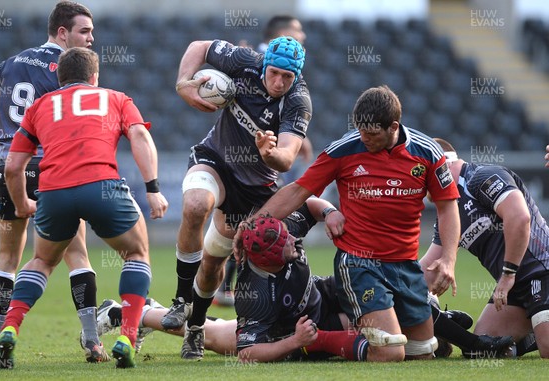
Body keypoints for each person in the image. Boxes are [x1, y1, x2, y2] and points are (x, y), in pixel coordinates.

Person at [96, 198, 511, 361]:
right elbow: (248, 356)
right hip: (285, 331)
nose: (297, 248)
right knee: (212, 334)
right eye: (289, 250)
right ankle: (129, 314)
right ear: (268, 262)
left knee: (381, 304)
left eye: (292, 241)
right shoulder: (253, 295)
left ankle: (455, 331)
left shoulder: (280, 236)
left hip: (324, 299)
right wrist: (293, 341)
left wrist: (329, 212)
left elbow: (310, 205)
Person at [233, 85, 461, 361]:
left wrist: (448, 259)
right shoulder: (343, 150)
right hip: (359, 263)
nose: (364, 138)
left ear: (393, 127)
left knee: (423, 352)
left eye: (372, 134)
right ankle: (318, 341)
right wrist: (250, 224)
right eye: (360, 131)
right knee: (390, 354)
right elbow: (298, 191)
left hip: (405, 264)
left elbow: (447, 208)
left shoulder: (428, 153)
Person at [0, 47, 168, 369]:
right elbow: (140, 134)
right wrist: (153, 189)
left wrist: (22, 205)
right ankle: (127, 337)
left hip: (54, 191)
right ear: (94, 77)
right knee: (137, 253)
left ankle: (9, 328)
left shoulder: (39, 106)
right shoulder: (116, 98)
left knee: (42, 261)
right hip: (101, 187)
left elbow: (14, 165)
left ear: (59, 78)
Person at [0, 1, 107, 363]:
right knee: (77, 253)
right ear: (62, 32)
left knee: (6, 258)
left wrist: (16, 143)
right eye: (84, 31)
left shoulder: (10, 63)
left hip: (6, 166)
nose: (91, 39)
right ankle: (92, 341)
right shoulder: (70, 72)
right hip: (53, 170)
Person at [161, 36, 312, 361]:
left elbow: (287, 159)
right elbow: (198, 47)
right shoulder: (245, 61)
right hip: (216, 158)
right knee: (196, 204)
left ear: (296, 76)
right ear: (264, 65)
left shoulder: (298, 101)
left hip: (255, 188)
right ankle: (179, 299)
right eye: (274, 73)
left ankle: (197, 327)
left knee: (214, 260)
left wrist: (269, 154)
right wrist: (183, 84)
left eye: (287, 77)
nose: (279, 82)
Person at [215, 15, 314, 307]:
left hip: (264, 156)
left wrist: (297, 138)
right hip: (242, 159)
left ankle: (228, 285)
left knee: (251, 221)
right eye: (297, 32)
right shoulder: (256, 59)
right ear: (279, 35)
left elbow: (286, 108)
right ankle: (240, 286)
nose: (303, 37)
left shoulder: (290, 72)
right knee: (258, 219)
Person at [420, 138, 549, 359]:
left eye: (421, 176)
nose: (420, 188)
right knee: (481, 348)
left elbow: (519, 218)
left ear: (440, 166)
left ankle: (542, 332)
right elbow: (427, 271)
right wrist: (391, 285)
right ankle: (536, 332)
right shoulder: (448, 212)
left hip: (541, 271)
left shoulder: (481, 177)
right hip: (515, 288)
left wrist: (508, 275)